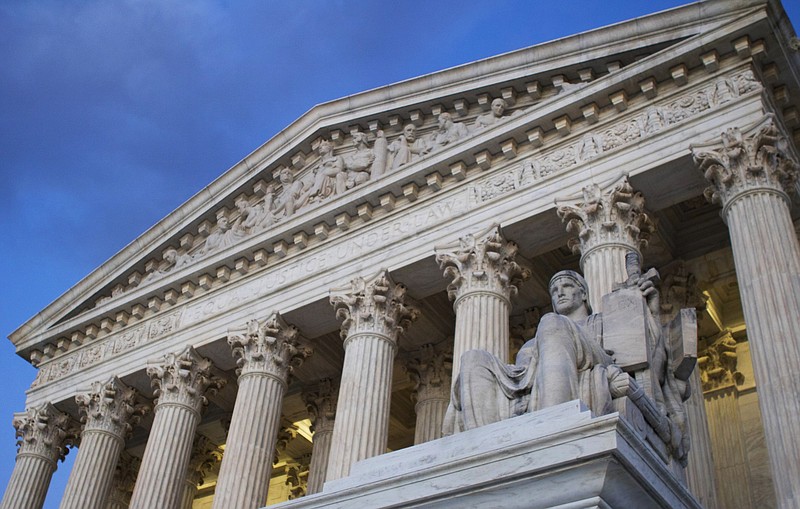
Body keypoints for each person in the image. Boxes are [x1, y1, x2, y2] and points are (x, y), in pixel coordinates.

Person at [444, 270, 631, 434]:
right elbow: (522, 374)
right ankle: (484, 441)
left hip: (594, 361)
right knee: (473, 358)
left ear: (583, 293)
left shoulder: (600, 322)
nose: (560, 293)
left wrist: (647, 309)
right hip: (533, 373)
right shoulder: (535, 340)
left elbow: (626, 360)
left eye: (567, 286)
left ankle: (553, 423)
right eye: (555, 291)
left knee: (552, 322)